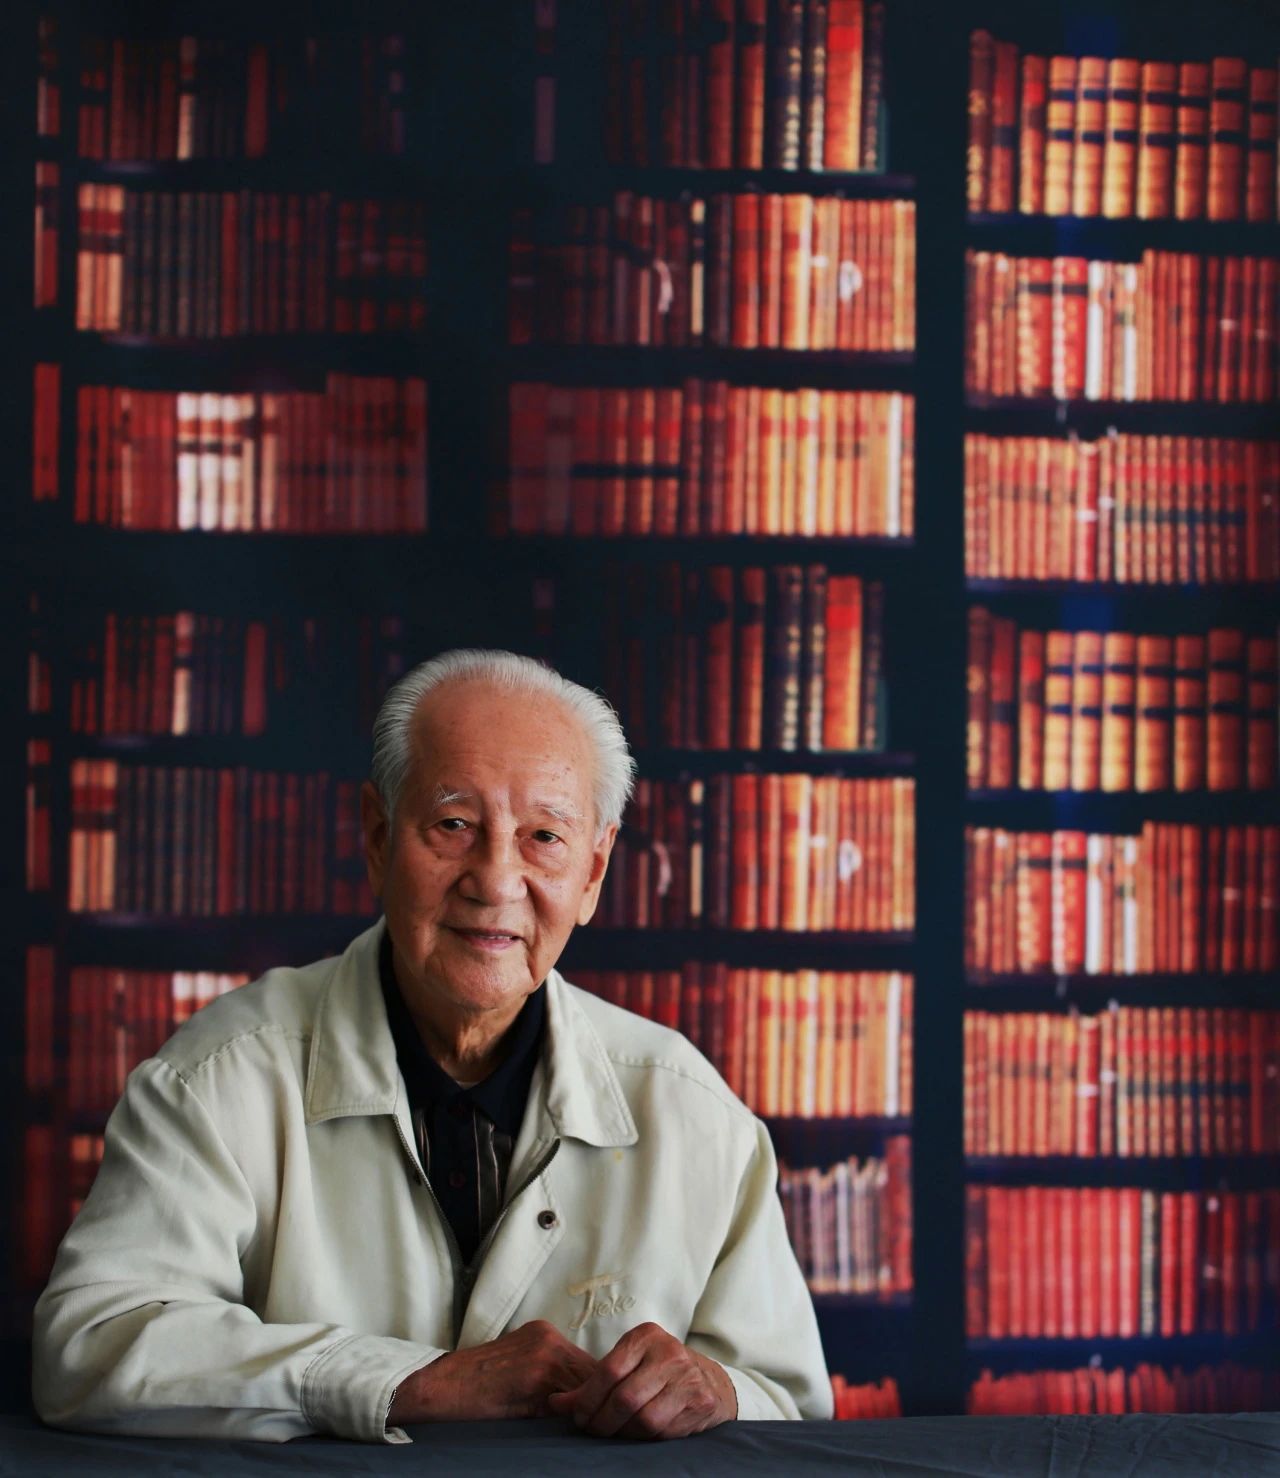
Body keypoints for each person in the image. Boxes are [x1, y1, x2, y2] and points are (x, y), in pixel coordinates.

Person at [32, 649, 833, 1443]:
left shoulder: (689, 1107)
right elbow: (90, 1348)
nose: (496, 881)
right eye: (454, 826)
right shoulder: (221, 1074)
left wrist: (717, 1390)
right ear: (379, 838)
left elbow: (793, 1402)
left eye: (544, 837)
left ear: (593, 872)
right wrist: (410, 1382)